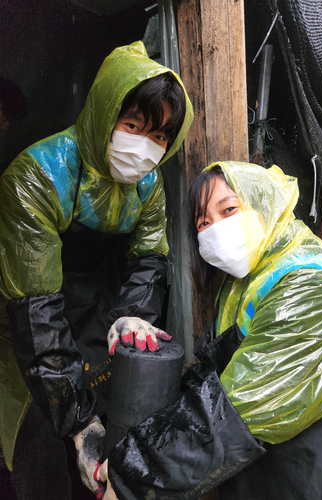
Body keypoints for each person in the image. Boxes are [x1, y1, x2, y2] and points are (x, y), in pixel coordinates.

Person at [0, 41, 193, 500]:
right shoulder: (36, 177)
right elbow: (36, 314)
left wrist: (134, 317)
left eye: (160, 137)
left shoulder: (148, 185)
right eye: (133, 126)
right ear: (104, 115)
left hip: (97, 316)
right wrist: (80, 424)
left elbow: (149, 259)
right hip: (30, 333)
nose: (145, 148)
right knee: (40, 452)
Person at [187, 161, 322, 500]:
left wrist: (132, 475)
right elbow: (222, 372)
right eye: (204, 223)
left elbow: (238, 409)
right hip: (272, 467)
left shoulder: (307, 284)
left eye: (229, 210)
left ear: (264, 203)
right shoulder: (243, 280)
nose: (216, 229)